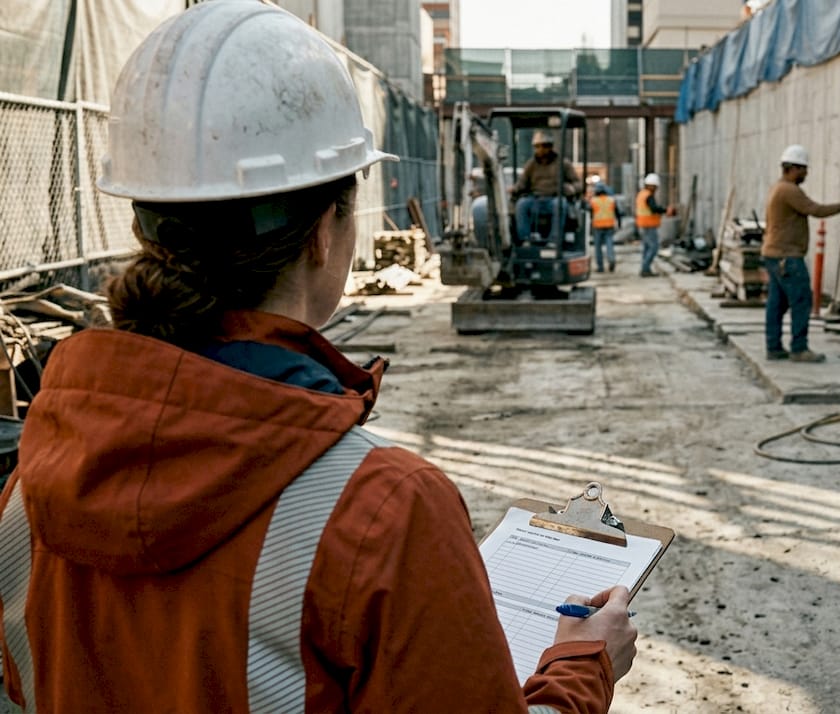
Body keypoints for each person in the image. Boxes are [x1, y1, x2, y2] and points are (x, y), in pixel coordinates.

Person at [0, 3, 636, 712]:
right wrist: (584, 664)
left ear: (146, 220)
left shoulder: (32, 485)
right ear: (324, 235)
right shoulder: (383, 511)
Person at [761, 144, 840, 363]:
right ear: (793, 168)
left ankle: (774, 347)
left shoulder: (777, 188)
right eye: (803, 169)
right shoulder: (789, 190)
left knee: (776, 303)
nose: (806, 174)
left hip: (774, 254)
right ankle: (798, 348)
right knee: (801, 300)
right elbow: (816, 210)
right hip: (787, 256)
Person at [512, 131, 582, 243]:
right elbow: (522, 182)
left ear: (550, 147)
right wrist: (514, 189)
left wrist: (571, 188)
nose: (541, 149)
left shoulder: (563, 164)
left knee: (560, 204)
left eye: (544, 146)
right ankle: (524, 238)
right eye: (538, 147)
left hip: (554, 198)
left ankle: (554, 240)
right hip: (535, 199)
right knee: (521, 205)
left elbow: (578, 184)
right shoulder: (531, 165)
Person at [635, 173, 666, 277]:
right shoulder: (648, 196)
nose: (656, 189)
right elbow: (653, 209)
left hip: (642, 224)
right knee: (654, 247)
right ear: (652, 185)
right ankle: (645, 268)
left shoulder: (641, 194)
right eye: (655, 187)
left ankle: (645, 268)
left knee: (647, 247)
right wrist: (665, 210)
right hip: (649, 225)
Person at [590, 180, 619, 272]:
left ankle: (600, 267)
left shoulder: (593, 201)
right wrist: (619, 223)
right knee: (609, 244)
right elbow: (617, 213)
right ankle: (611, 258)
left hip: (598, 226)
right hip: (609, 225)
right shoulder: (611, 200)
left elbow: (591, 214)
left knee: (598, 247)